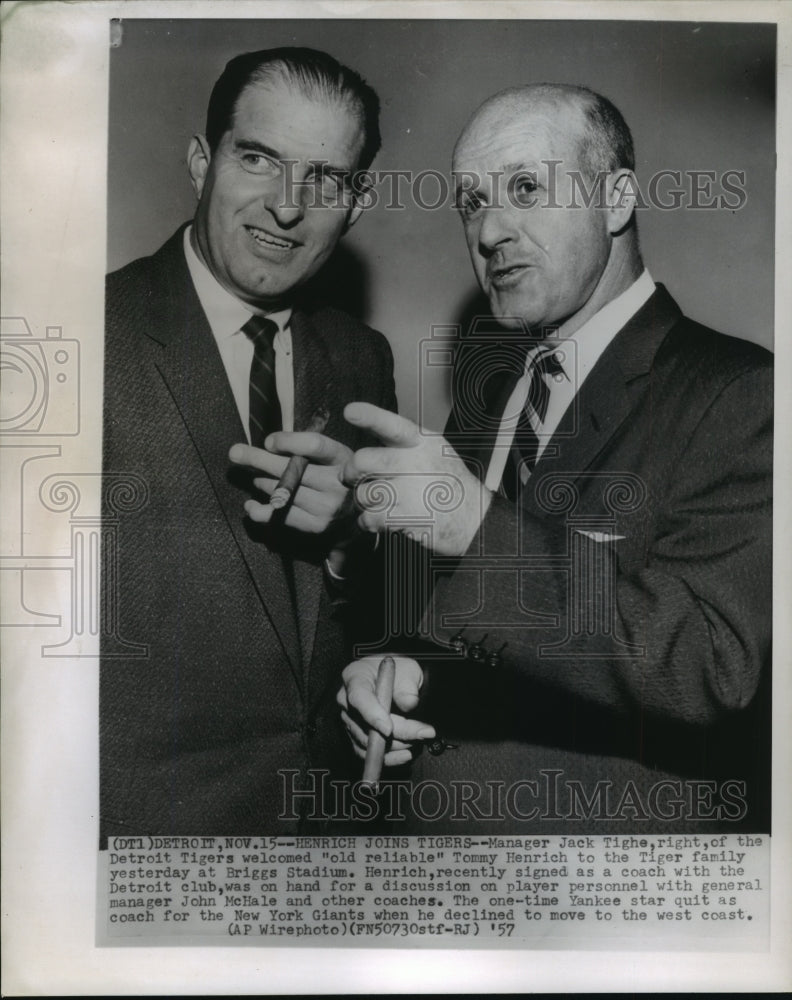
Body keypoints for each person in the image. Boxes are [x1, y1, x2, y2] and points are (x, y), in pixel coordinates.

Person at [338, 84, 772, 833]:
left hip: (608, 903)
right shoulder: (492, 399)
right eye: (471, 201)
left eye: (527, 189)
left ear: (616, 200)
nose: (492, 229)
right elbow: (475, 625)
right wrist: (401, 670)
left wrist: (480, 528)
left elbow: (715, 665)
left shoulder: (739, 392)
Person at [100, 47, 396, 842]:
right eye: (259, 158)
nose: (287, 207)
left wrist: (349, 538)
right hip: (142, 843)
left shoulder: (363, 358)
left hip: (328, 834)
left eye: (325, 181)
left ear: (356, 205)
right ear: (202, 162)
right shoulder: (84, 336)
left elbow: (371, 617)